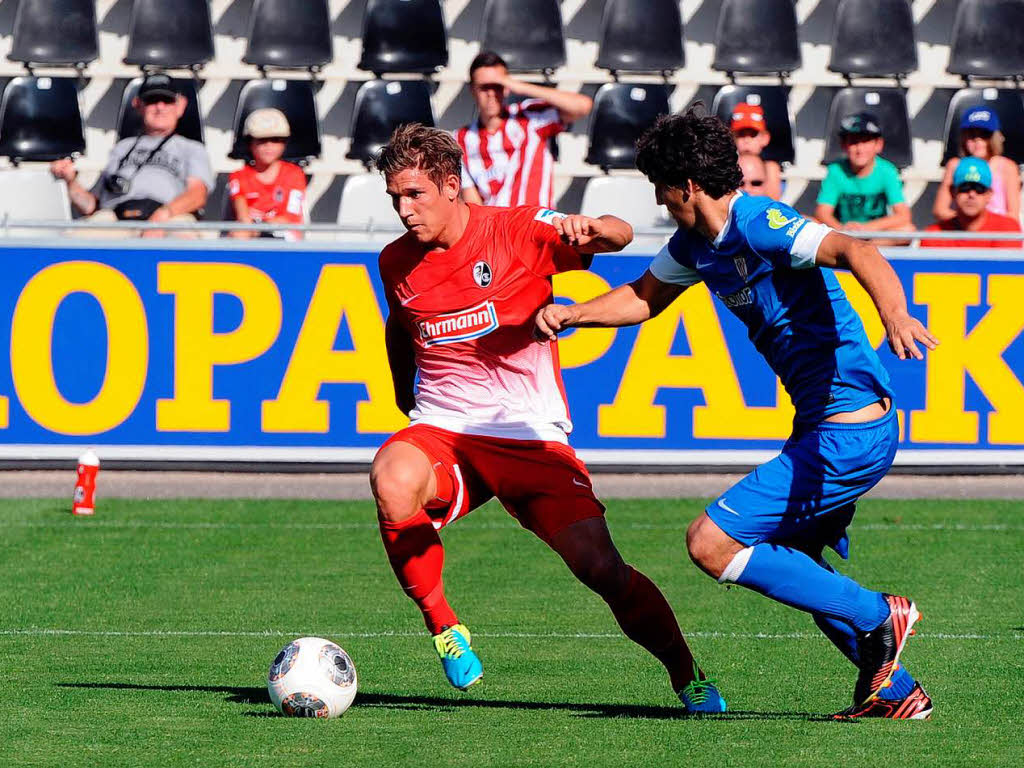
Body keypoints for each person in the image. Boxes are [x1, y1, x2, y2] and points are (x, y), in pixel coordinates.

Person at [535, 106, 939, 720]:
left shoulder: (760, 222)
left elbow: (858, 249)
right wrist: (574, 313)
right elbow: (644, 299)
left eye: (661, 187)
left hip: (849, 430)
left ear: (688, 186)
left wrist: (894, 314)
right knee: (795, 560)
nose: (659, 200)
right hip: (822, 425)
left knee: (711, 543)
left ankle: (878, 614)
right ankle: (895, 690)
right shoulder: (696, 246)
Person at [371, 123, 725, 712]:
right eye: (396, 198)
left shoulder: (515, 230)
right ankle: (444, 627)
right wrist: (402, 393)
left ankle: (686, 673)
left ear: (452, 186)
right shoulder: (396, 262)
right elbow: (398, 324)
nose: (404, 210)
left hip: (527, 434)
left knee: (601, 569)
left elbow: (620, 236)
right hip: (445, 429)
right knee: (391, 477)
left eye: (415, 195)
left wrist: (592, 226)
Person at [50, 73, 213, 237]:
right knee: (75, 237)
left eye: (167, 101)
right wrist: (70, 181)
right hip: (117, 218)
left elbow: (197, 195)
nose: (160, 107)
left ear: (180, 106)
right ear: (138, 104)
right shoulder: (121, 148)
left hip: (170, 216)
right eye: (152, 101)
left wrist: (162, 216)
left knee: (183, 234)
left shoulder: (191, 148)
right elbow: (91, 206)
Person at [454, 51, 592, 208]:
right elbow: (474, 204)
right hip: (498, 227)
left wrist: (519, 86)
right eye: (484, 88)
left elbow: (583, 106)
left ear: (506, 87)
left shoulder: (530, 117)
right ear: (472, 90)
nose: (491, 94)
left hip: (537, 222)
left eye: (497, 86)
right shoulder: (460, 140)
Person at [814, 112, 913, 245]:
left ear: (878, 145)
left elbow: (903, 215)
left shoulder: (887, 171)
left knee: (908, 231)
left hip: (873, 235)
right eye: (853, 142)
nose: (860, 149)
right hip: (842, 233)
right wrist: (842, 229)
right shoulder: (836, 170)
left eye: (866, 141)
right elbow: (822, 212)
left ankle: (861, 248)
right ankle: (853, 247)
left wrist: (866, 229)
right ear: (844, 145)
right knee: (807, 222)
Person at [227, 108, 307, 241]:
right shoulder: (238, 177)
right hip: (251, 234)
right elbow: (243, 218)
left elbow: (290, 218)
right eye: (261, 140)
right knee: (239, 233)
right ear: (250, 143)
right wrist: (260, 226)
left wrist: (260, 223)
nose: (269, 145)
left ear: (284, 143)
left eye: (275, 139)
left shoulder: (295, 174)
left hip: (284, 234)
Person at [932, 106, 1021, 224]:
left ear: (994, 138)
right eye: (972, 135)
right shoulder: (955, 166)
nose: (977, 140)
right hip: (962, 231)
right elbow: (940, 210)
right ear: (964, 138)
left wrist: (983, 225)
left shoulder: (1007, 167)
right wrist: (970, 222)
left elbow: (1013, 216)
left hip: (997, 232)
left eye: (984, 135)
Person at [921, 157, 1022, 248]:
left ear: (989, 195)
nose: (971, 194)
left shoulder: (1007, 230)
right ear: (953, 192)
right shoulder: (934, 235)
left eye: (979, 189)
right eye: (965, 187)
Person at [730, 103, 782, 200]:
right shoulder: (726, 166)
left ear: (765, 138)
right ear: (732, 138)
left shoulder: (771, 168)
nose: (747, 140)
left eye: (753, 135)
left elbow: (772, 204)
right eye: (741, 135)